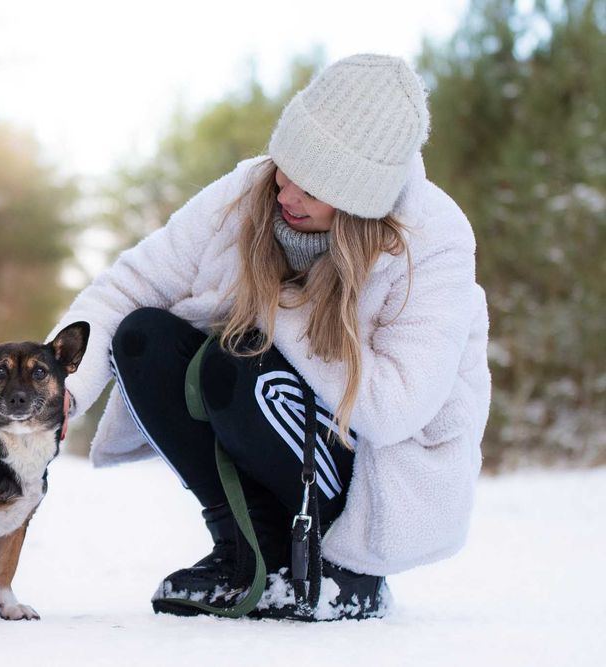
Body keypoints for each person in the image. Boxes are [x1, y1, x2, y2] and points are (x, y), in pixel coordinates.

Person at [46, 54, 491, 621]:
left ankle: (338, 570)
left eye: (313, 185)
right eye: (287, 165)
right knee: (143, 337)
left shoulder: (434, 240)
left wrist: (279, 305)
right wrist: (62, 385)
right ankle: (245, 549)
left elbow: (395, 409)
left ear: (360, 198)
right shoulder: (251, 188)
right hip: (279, 414)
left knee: (235, 359)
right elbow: (131, 285)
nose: (286, 191)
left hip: (373, 470)